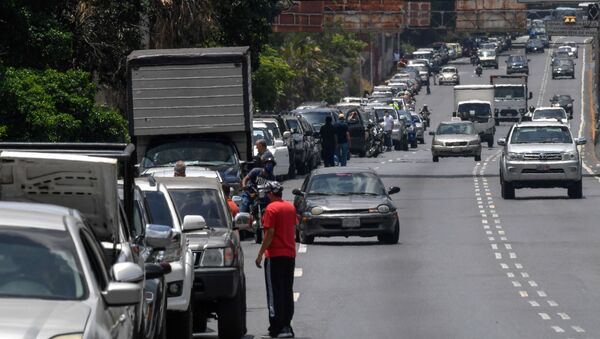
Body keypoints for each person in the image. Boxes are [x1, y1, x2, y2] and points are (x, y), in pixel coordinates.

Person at [255, 181, 297, 339]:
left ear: (271, 193)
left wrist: (260, 253)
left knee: (274, 292)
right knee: (287, 290)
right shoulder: (290, 207)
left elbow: (270, 233)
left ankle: (277, 326)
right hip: (289, 255)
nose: (266, 196)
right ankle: (287, 323)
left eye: (267, 193)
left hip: (275, 256)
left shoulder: (271, 209)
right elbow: (292, 229)